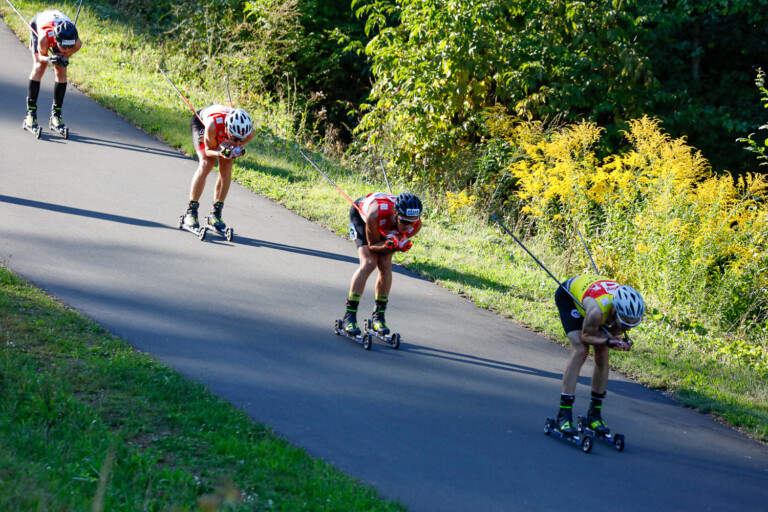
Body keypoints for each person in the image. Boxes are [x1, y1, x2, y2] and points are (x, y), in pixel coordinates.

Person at [553, 276, 645, 435]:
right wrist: (610, 341)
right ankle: (564, 413)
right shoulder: (597, 312)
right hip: (570, 298)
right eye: (624, 323)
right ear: (615, 311)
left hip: (598, 302)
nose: (627, 328)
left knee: (603, 354)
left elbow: (615, 332)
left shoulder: (628, 313)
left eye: (632, 324)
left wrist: (618, 341)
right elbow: (586, 337)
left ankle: (594, 415)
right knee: (581, 350)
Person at [340, 192, 423, 335]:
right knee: (369, 262)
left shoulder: (416, 225)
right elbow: (372, 245)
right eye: (404, 222)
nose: (408, 226)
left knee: (385, 264)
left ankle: (379, 316)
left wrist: (396, 244)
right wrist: (388, 245)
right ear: (396, 213)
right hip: (364, 219)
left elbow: (397, 240)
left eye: (413, 222)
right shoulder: (374, 214)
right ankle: (350, 315)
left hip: (388, 223)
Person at [182, 105, 254, 231]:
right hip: (202, 124)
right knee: (206, 163)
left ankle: (215, 214)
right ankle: (191, 212)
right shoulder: (212, 126)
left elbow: (238, 143)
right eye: (235, 139)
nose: (238, 142)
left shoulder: (249, 133)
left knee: (226, 167)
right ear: (228, 129)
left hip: (223, 131)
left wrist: (234, 148)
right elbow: (209, 150)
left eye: (241, 139)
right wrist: (220, 152)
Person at [24, 9, 82, 132]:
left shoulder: (76, 43)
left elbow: (66, 53)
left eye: (69, 47)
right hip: (40, 22)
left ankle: (56, 116)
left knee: (61, 68)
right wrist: (50, 59)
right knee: (40, 66)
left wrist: (64, 58)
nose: (66, 50)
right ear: (56, 40)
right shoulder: (45, 38)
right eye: (63, 47)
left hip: (58, 25)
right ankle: (30, 114)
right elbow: (41, 57)